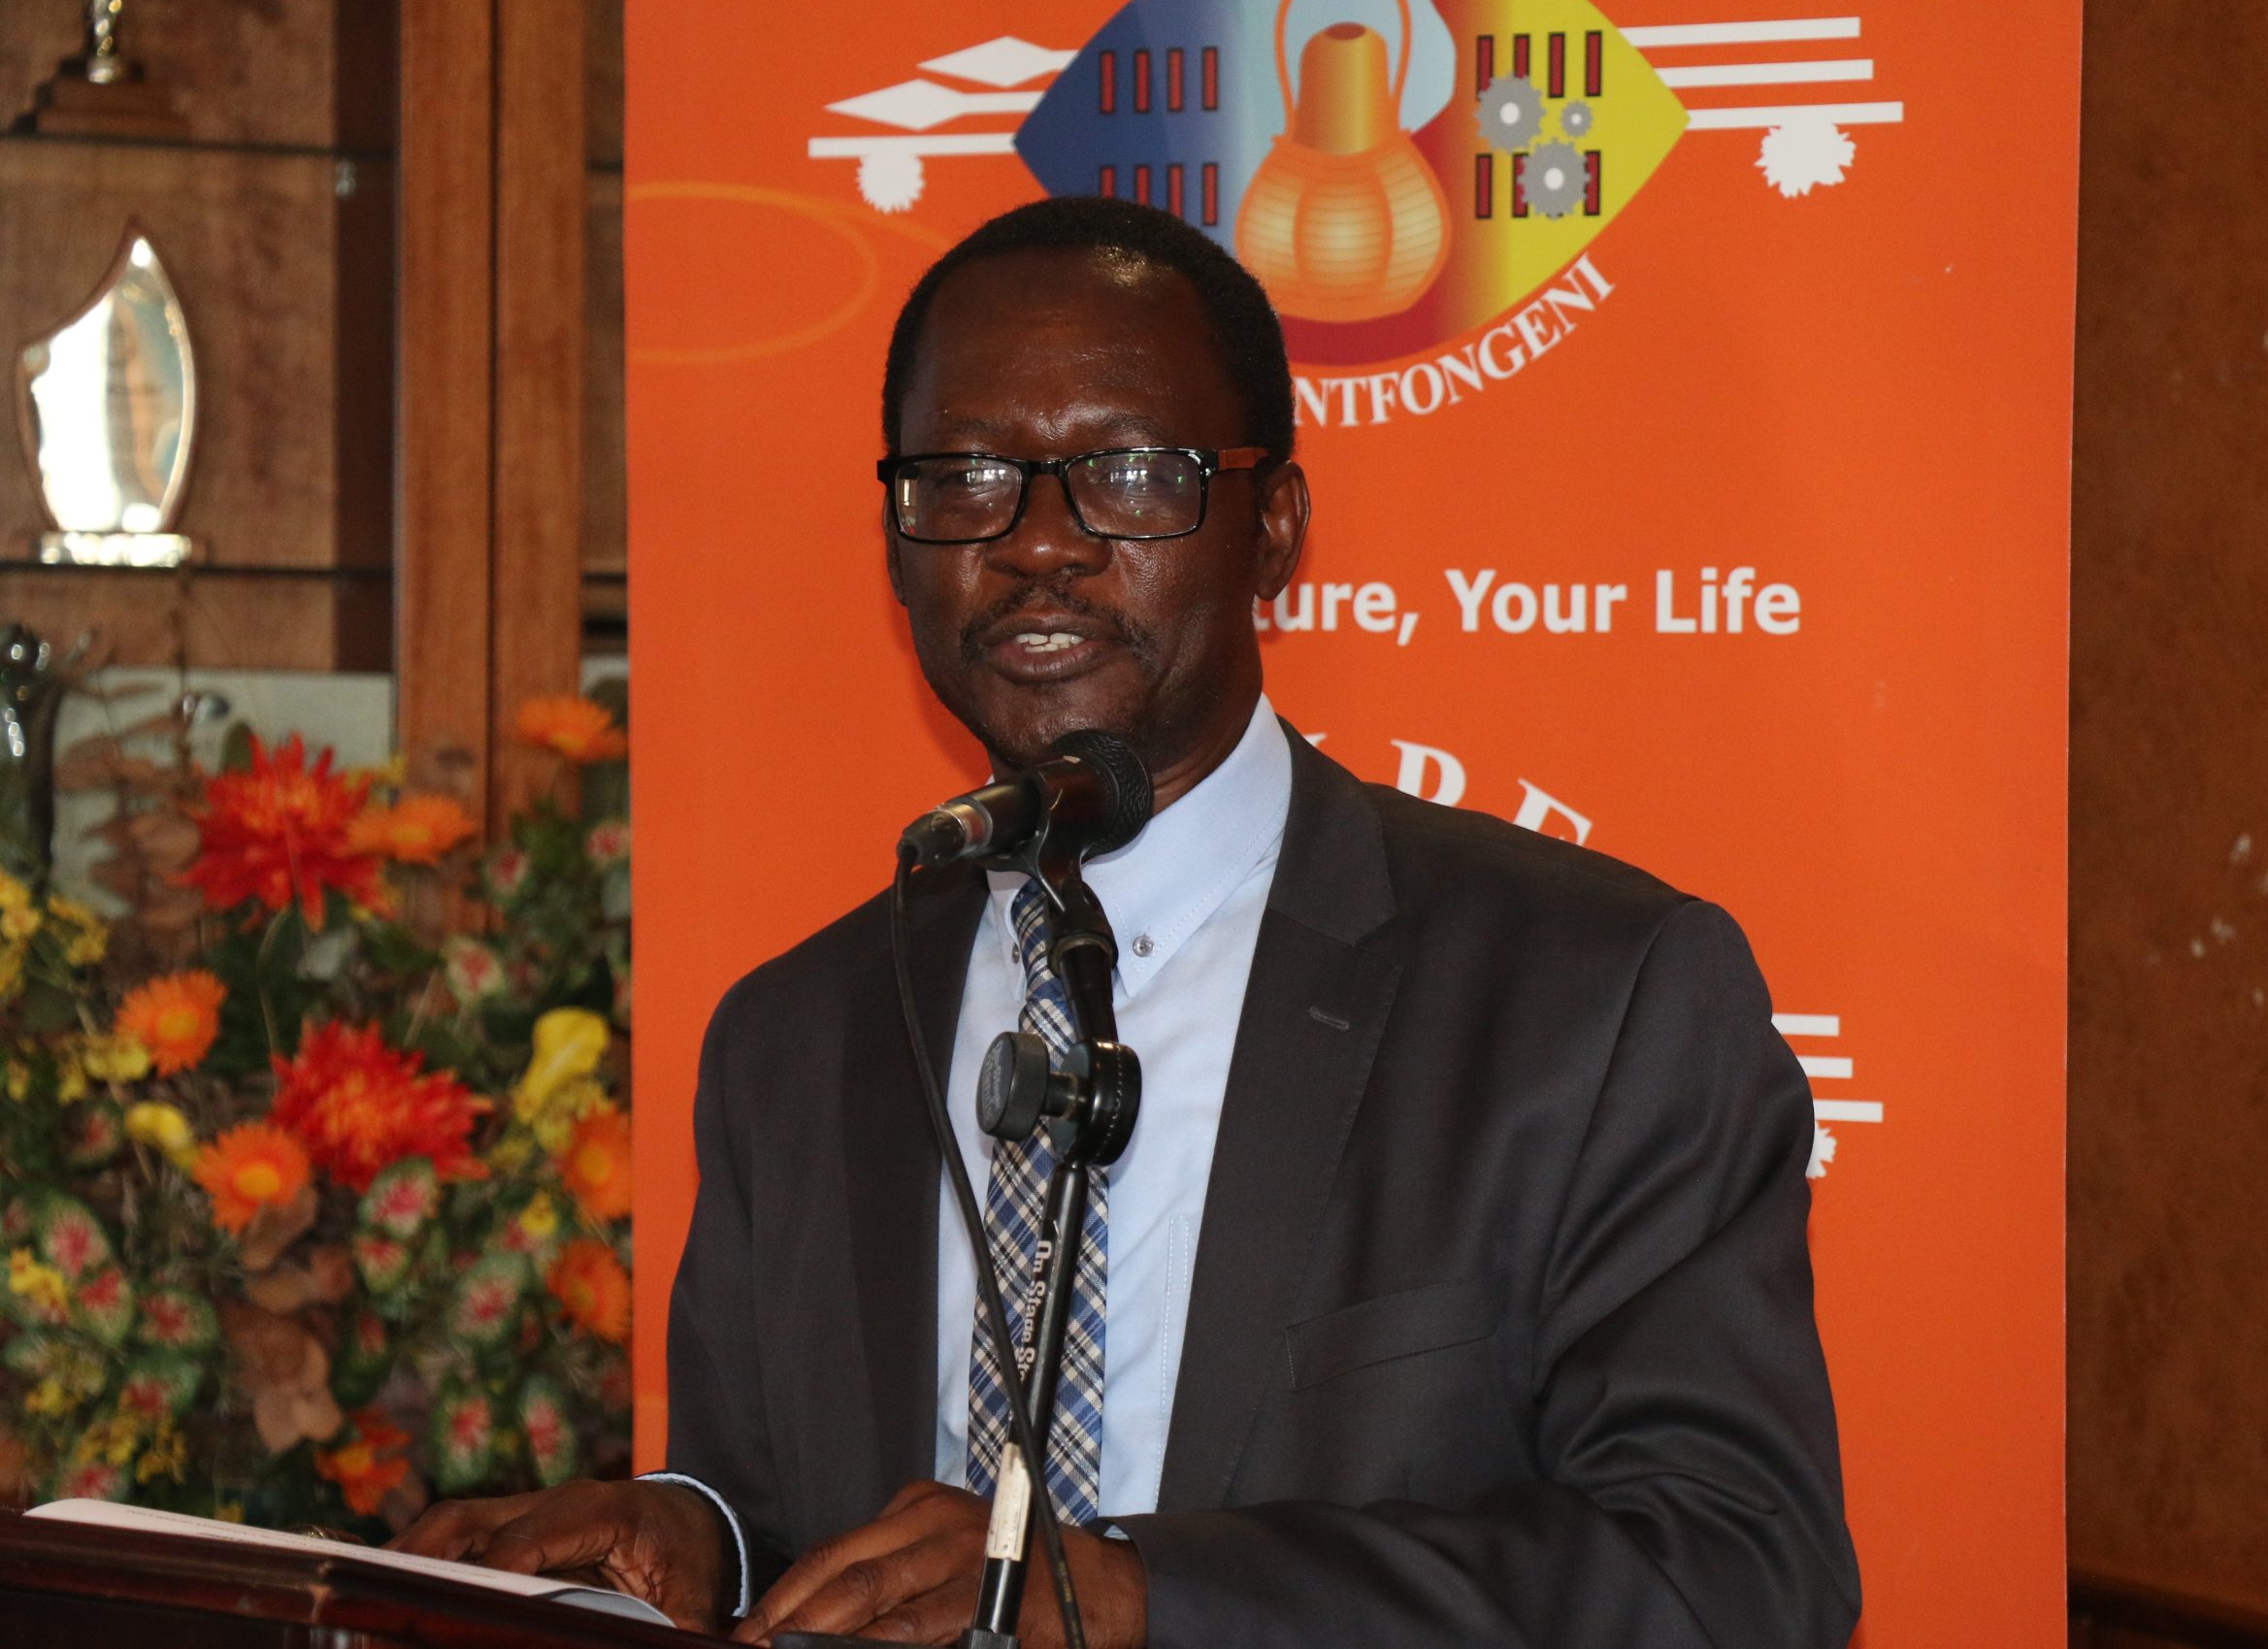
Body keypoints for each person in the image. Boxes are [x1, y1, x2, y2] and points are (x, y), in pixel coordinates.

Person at [393, 197, 1861, 1647]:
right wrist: (698, 1541)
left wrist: (1147, 1596)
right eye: (967, 476)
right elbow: (798, 1518)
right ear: (899, 542)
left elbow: (1735, 1568)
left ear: (1272, 528)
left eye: (1131, 475)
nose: (1039, 543)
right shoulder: (798, 1035)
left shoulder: (1591, 998)